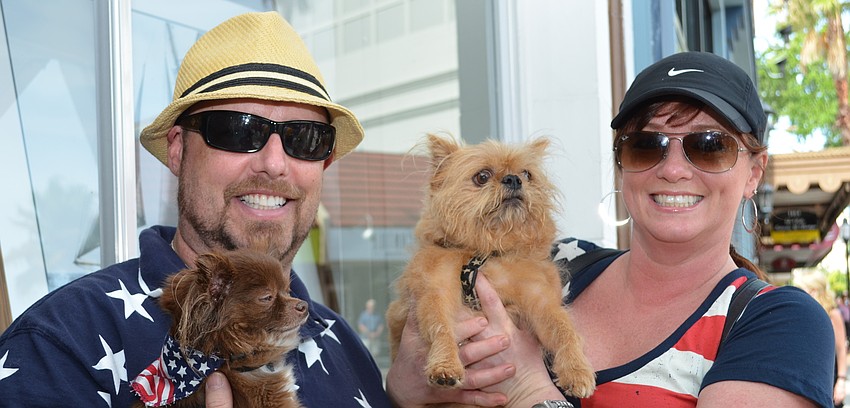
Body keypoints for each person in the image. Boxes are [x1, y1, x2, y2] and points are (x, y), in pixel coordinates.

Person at [386, 51, 835, 407]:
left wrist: (529, 389)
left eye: (709, 146)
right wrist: (404, 389)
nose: (673, 169)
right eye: (646, 146)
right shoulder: (557, 262)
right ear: (622, 166)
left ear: (754, 172)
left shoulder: (779, 324)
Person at [0, 12, 391, 407]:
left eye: (305, 138)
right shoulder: (58, 346)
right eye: (239, 130)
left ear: (323, 164)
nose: (274, 163)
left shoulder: (343, 341)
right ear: (177, 149)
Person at [795, 271, 848, 408]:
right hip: (809, 380)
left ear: (814, 290)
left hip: (829, 377)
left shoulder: (833, 313)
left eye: (803, 289)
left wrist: (841, 381)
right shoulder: (803, 313)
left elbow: (841, 349)